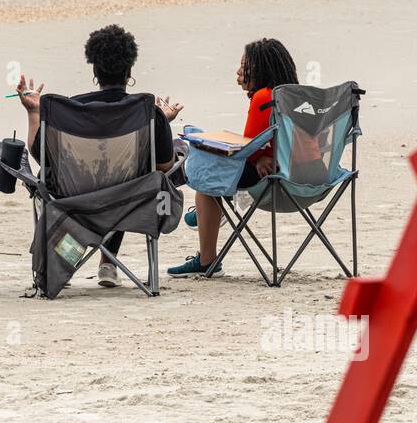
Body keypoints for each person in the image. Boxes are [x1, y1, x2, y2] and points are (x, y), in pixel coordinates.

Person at [15, 24, 182, 288]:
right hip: (128, 202)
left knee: (54, 181)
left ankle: (67, 258)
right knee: (126, 179)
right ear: (129, 72)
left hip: (71, 199)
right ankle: (108, 261)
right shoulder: (148, 112)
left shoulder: (68, 109)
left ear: (94, 70)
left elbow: (40, 155)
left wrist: (33, 112)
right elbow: (164, 165)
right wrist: (163, 123)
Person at [169, 37, 297, 278]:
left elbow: (248, 149)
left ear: (260, 69)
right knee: (212, 165)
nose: (238, 71)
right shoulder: (292, 96)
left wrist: (257, 158)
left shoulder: (264, 97)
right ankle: (206, 210)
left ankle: (207, 259)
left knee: (205, 172)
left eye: (243, 65)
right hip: (302, 174)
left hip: (268, 176)